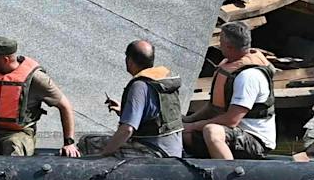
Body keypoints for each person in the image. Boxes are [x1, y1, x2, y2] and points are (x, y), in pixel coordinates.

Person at [0, 37, 78, 157]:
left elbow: (65, 106)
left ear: (5, 60)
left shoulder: (36, 79)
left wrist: (69, 142)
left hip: (19, 133)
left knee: (14, 145)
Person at [182, 20, 277, 160]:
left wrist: (193, 126)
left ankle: (229, 175)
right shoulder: (229, 65)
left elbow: (231, 120)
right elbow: (213, 107)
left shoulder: (248, 77)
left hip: (255, 140)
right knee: (182, 133)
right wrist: (187, 121)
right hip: (232, 132)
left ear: (229, 46)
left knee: (212, 131)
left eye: (220, 40)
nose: (219, 44)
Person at [93, 39, 183, 157]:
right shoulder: (162, 81)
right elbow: (157, 117)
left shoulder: (139, 86)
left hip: (154, 152)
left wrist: (102, 155)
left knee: (89, 142)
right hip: (174, 151)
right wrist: (124, 111)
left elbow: (127, 130)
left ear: (129, 61)